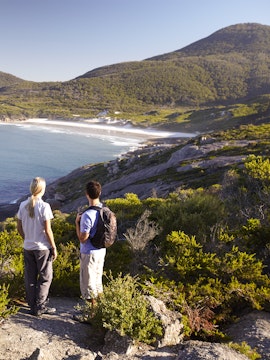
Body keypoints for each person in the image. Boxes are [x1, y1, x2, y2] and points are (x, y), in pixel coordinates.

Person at [17, 177, 57, 316]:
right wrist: (53, 247)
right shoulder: (44, 206)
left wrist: (27, 238)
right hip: (42, 248)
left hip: (28, 247)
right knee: (45, 277)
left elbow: (19, 227)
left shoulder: (23, 205)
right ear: (42, 189)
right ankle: (40, 306)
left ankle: (32, 304)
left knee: (30, 277)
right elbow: (48, 230)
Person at [75, 180, 106, 311]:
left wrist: (77, 223)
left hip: (89, 253)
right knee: (98, 283)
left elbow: (83, 239)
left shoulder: (87, 215)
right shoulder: (104, 210)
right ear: (100, 193)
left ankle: (91, 314)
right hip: (101, 251)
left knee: (88, 285)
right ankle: (100, 311)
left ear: (87, 194)